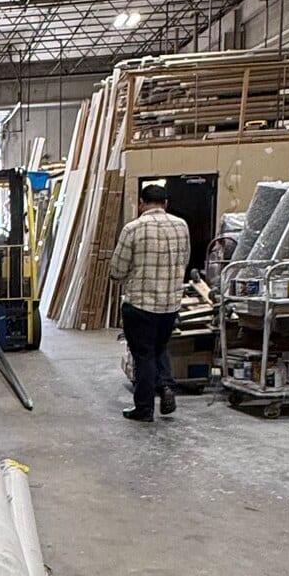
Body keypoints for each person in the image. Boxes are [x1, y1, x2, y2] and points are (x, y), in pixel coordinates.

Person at [109, 180, 192, 422]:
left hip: (140, 305)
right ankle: (166, 386)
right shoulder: (181, 226)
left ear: (141, 204)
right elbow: (184, 261)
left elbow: (117, 270)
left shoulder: (133, 229)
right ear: (166, 203)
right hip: (170, 305)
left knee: (143, 355)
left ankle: (144, 409)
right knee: (159, 348)